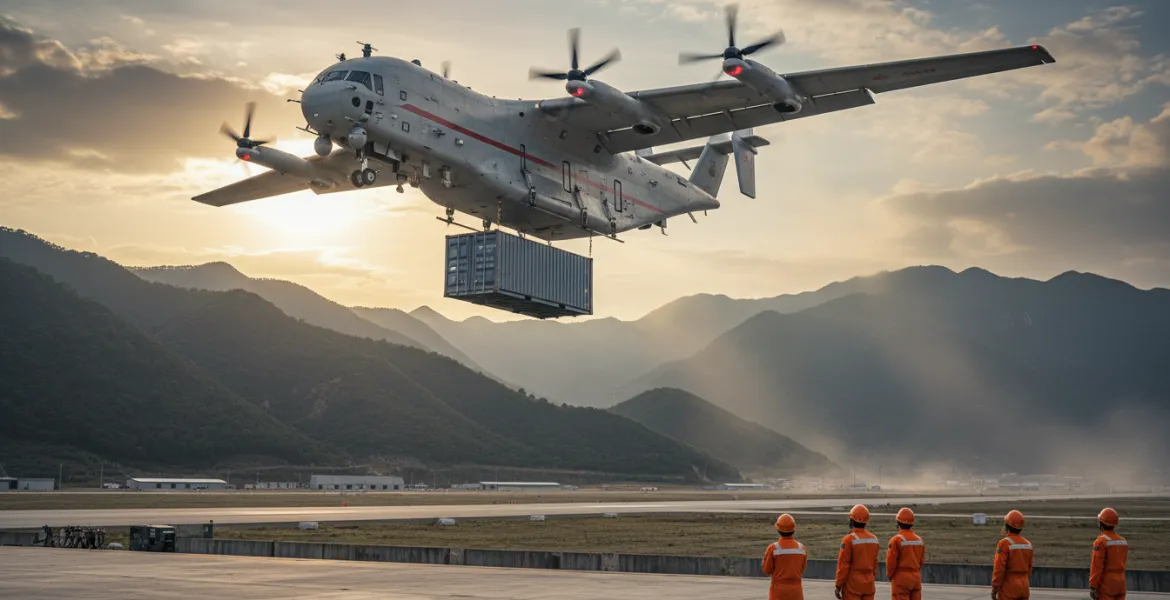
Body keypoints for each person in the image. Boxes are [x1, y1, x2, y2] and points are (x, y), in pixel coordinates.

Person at [836, 504, 879, 600]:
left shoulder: (849, 539)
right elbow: (875, 564)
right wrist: (870, 578)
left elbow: (843, 565)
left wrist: (838, 585)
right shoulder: (874, 539)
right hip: (869, 584)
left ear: (852, 520)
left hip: (853, 586)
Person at [763, 513, 808, 600]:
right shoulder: (801, 548)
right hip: (796, 592)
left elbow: (767, 570)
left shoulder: (773, 548)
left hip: (778, 592)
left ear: (778, 530)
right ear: (793, 529)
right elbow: (802, 569)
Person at [992, 510, 1033, 600]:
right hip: (1024, 586)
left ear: (1008, 526)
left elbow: (999, 568)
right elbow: (1030, 568)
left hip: (1009, 587)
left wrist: (995, 587)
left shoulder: (1004, 543)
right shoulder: (1028, 544)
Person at [886, 508, 925, 600]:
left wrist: (890, 575)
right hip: (916, 577)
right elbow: (921, 561)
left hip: (901, 578)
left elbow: (891, 562)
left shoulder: (896, 540)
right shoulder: (919, 540)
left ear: (898, 522)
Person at [1090, 507, 1128, 600]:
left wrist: (1093, 585)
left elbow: (1097, 565)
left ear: (1101, 524)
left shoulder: (1100, 541)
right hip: (1121, 584)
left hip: (1106, 585)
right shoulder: (1123, 541)